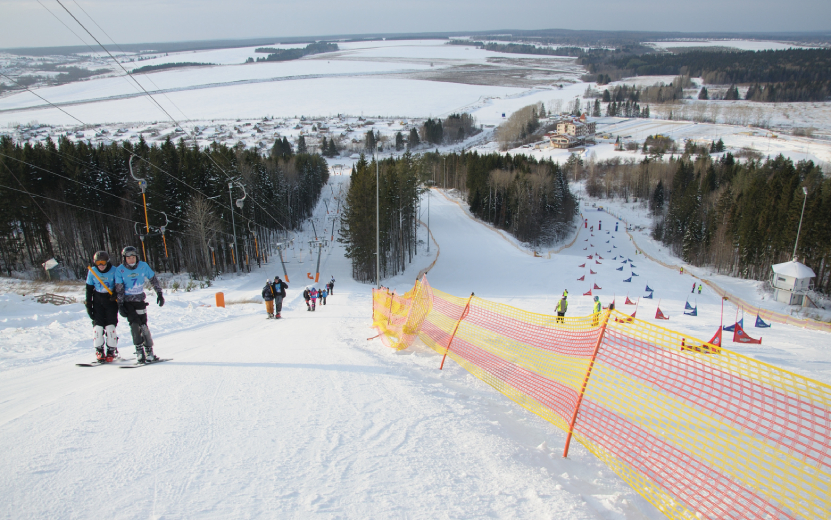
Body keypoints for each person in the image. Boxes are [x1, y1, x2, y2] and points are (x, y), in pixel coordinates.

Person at [114, 246, 164, 364]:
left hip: (140, 301)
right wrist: (120, 304)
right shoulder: (120, 270)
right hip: (128, 302)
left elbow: (153, 279)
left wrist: (159, 294)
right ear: (124, 258)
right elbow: (119, 288)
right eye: (128, 258)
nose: (131, 260)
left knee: (143, 326)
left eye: (133, 257)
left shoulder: (143, 266)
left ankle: (149, 351)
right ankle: (139, 351)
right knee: (134, 325)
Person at [85, 251, 119, 362]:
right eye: (98, 263)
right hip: (98, 301)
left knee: (110, 327)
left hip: (111, 301)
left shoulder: (114, 270)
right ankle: (99, 350)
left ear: (107, 262)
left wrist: (116, 293)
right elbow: (89, 289)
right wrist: (89, 304)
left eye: (103, 262)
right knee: (98, 328)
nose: (101, 265)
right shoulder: (92, 271)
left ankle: (111, 351)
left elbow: (120, 285)